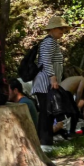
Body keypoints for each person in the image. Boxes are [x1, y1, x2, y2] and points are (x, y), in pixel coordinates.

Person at [33, 16, 70, 150]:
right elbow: (46, 61)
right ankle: (44, 143)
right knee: (46, 112)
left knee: (48, 112)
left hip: (48, 82)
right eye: (60, 28)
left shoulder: (52, 42)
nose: (62, 31)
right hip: (45, 83)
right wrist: (52, 77)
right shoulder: (49, 42)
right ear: (52, 29)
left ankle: (46, 141)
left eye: (63, 28)